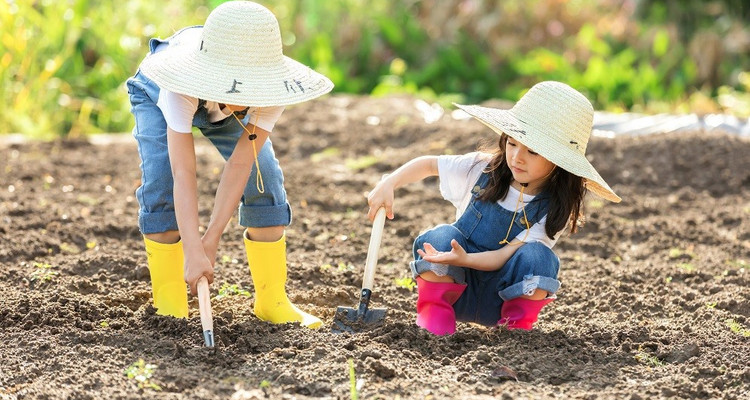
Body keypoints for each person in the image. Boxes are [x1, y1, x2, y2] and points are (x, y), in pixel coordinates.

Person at [126, 1, 333, 328]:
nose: (252, 92)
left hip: (218, 106)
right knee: (160, 180)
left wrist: (211, 239)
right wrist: (192, 251)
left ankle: (271, 299)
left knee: (263, 171)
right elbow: (185, 173)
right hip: (156, 93)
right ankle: (170, 301)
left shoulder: (269, 91)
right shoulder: (179, 82)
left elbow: (241, 164)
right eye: (244, 85)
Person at [367, 81, 621, 335]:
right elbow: (429, 165)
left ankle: (515, 331)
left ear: (559, 162)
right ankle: (434, 322)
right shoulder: (480, 169)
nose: (517, 157)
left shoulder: (552, 208)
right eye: (512, 143)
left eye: (532, 151)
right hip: (457, 284)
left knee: (539, 258)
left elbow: (502, 257)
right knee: (440, 238)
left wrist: (466, 258)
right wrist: (390, 182)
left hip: (500, 297)